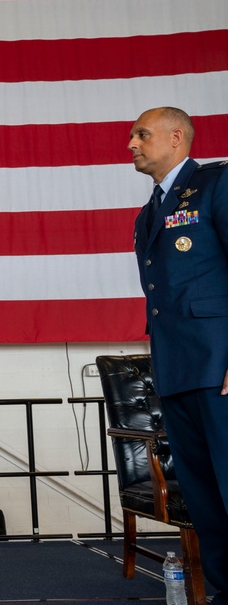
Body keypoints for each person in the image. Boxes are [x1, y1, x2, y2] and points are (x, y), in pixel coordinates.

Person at [128, 106, 228, 603]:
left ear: (176, 137)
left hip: (219, 369)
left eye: (142, 135)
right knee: (206, 504)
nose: (132, 143)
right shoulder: (150, 212)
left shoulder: (217, 185)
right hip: (177, 372)